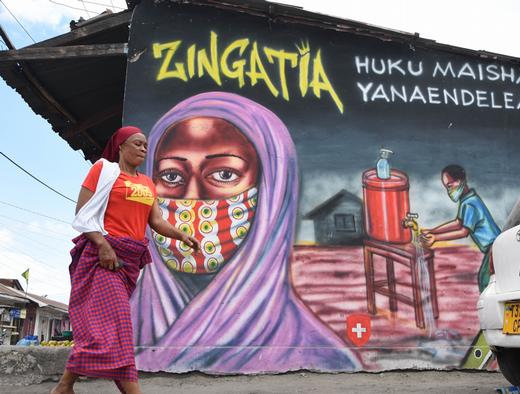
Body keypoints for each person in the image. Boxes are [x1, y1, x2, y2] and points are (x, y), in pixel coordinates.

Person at [131, 92, 360, 373]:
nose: (192, 197)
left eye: (224, 174)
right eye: (171, 176)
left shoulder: (319, 354)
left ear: (271, 192)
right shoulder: (125, 320)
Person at [52, 126, 200, 394]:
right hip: (103, 259)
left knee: (109, 329)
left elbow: (155, 222)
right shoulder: (104, 171)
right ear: (120, 145)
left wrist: (181, 235)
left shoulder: (147, 183)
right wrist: (102, 245)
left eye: (146, 145)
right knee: (118, 323)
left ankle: (64, 387)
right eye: (137, 144)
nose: (144, 149)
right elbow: (82, 214)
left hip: (128, 262)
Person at [420, 165, 500, 292]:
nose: (448, 190)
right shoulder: (467, 200)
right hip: (493, 248)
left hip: (494, 249)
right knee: (488, 282)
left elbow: (464, 231)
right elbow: (458, 223)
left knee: (485, 282)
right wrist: (432, 231)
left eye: (450, 185)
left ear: (461, 181)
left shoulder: (470, 204)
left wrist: (436, 238)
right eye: (447, 187)